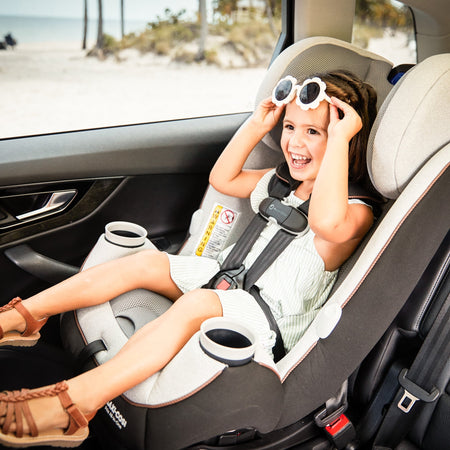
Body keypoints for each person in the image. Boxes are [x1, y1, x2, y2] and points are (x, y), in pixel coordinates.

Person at [0, 70, 378, 448]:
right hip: (224, 279)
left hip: (268, 321)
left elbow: (324, 221)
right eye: (290, 126)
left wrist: (341, 138)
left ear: (345, 139)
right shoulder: (281, 182)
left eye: (314, 132)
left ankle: (72, 405)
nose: (294, 141)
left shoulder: (355, 211)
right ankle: (22, 317)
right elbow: (223, 179)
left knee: (197, 303)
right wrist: (256, 124)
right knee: (146, 263)